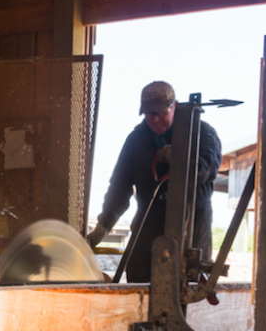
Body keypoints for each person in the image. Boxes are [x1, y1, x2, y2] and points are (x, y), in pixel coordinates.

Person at [87, 81, 222, 283]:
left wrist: (180, 157)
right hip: (147, 232)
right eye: (149, 113)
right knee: (139, 291)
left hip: (189, 234)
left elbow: (209, 169)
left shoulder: (202, 134)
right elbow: (119, 187)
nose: (154, 118)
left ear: (174, 106)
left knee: (185, 294)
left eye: (160, 112)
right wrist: (102, 228)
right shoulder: (136, 140)